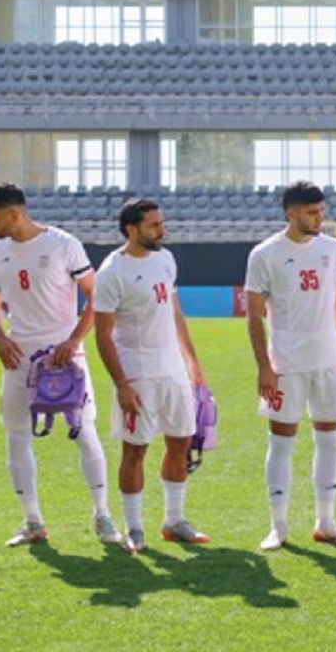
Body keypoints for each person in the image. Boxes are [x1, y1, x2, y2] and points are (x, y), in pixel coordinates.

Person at [0, 183, 119, 547]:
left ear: (14, 214)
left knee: (85, 432)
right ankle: (32, 522)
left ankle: (103, 515)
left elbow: (96, 297)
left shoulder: (63, 244)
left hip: (66, 358)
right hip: (18, 358)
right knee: (16, 436)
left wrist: (74, 341)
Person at [246, 182, 336, 551]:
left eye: (321, 211)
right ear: (291, 213)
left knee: (329, 439)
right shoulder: (265, 254)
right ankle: (278, 526)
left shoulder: (332, 248)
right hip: (287, 363)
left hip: (328, 360)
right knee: (281, 442)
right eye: (312, 212)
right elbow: (253, 316)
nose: (319, 218)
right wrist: (264, 366)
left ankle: (326, 522)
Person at [93, 198, 208, 553]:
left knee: (180, 442)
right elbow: (102, 335)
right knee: (135, 450)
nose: (162, 230)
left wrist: (192, 361)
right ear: (132, 229)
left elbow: (175, 312)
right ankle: (134, 527)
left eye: (161, 223)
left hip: (173, 370)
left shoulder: (165, 259)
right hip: (138, 374)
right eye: (154, 225)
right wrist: (122, 384)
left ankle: (174, 520)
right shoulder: (111, 273)